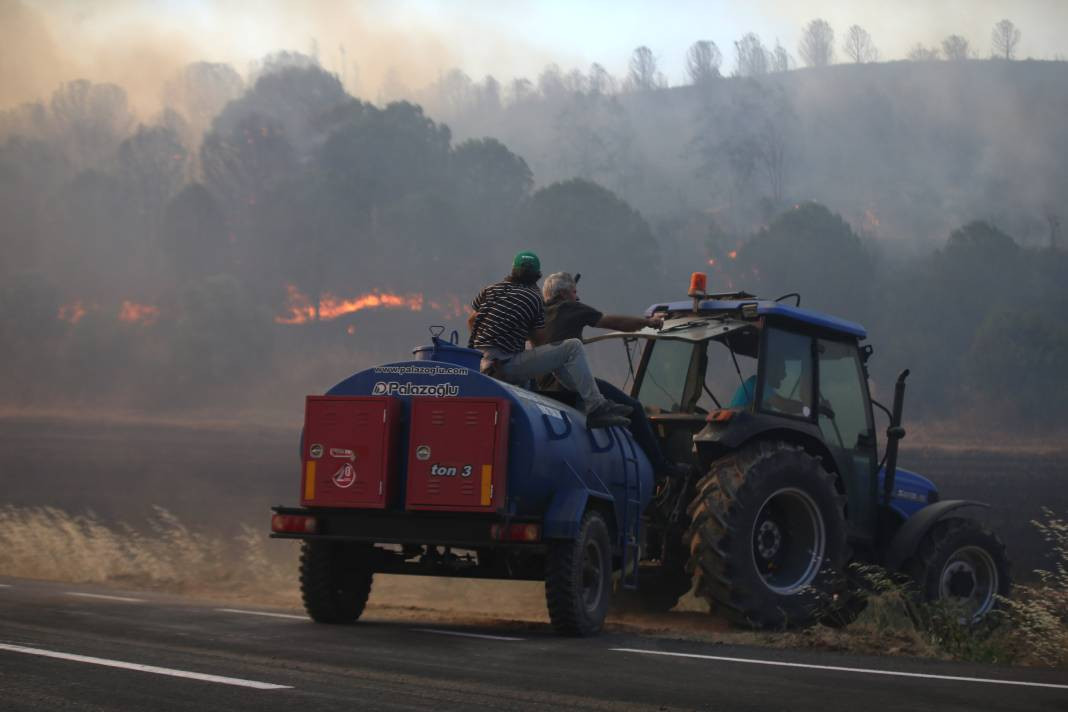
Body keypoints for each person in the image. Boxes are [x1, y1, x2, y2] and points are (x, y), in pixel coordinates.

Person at [539, 271, 690, 479]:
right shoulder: (571, 308)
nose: (577, 297)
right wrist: (648, 322)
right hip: (571, 387)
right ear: (563, 294)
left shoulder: (537, 314)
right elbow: (613, 322)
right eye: (574, 292)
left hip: (544, 387)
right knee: (634, 408)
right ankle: (661, 467)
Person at [468, 252, 631, 428]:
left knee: (555, 356)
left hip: (483, 363)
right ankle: (596, 407)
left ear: (513, 270)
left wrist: (490, 343)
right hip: (505, 367)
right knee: (572, 347)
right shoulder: (533, 297)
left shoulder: (491, 289)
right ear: (537, 275)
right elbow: (540, 340)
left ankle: (591, 400)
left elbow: (471, 320)